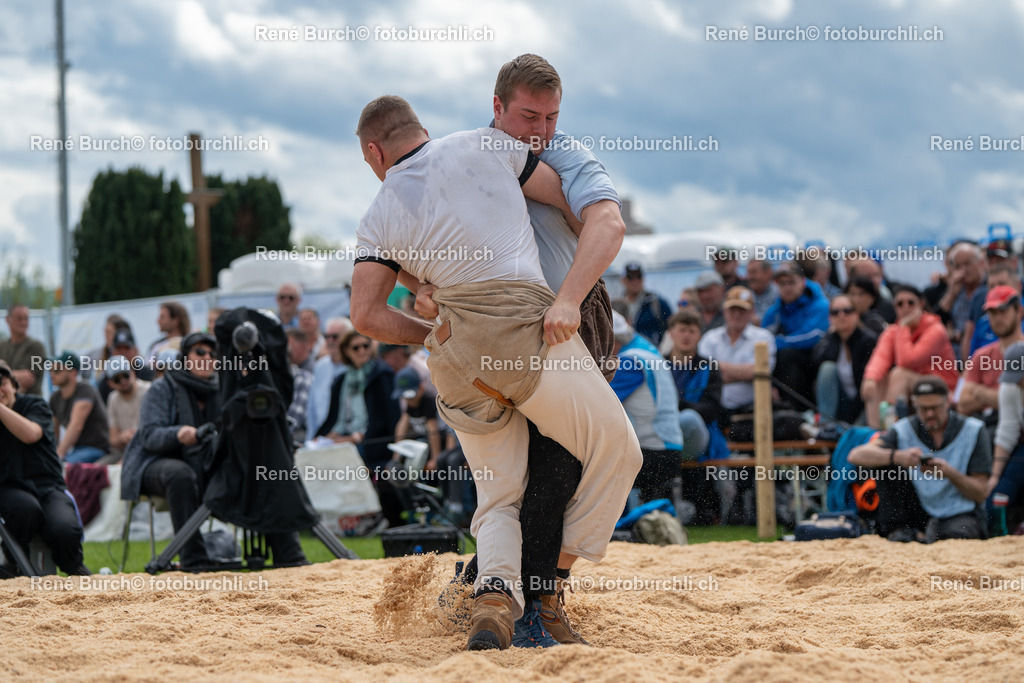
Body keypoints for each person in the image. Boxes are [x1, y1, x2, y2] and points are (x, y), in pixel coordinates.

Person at [350, 94, 641, 651]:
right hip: (527, 326)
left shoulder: (378, 212)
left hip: (457, 356)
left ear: (373, 151)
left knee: (499, 496)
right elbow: (565, 203)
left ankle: (495, 598)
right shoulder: (487, 143)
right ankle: (548, 589)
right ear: (423, 129)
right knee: (618, 451)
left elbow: (365, 315)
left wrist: (431, 331)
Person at [121, 331, 307, 569]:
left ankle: (288, 554)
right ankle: (194, 559)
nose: (207, 357)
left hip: (206, 461)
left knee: (262, 470)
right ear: (184, 357)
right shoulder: (162, 388)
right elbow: (149, 436)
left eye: (213, 354)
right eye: (199, 352)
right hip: (156, 462)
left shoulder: (222, 389)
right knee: (180, 474)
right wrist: (178, 434)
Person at [848, 376, 990, 542]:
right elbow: (855, 455)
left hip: (960, 513)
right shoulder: (904, 428)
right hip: (918, 510)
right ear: (914, 404)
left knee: (956, 537)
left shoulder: (973, 430)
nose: (929, 414)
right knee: (884, 460)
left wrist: (950, 473)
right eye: (923, 408)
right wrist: (897, 456)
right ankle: (897, 529)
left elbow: (981, 492)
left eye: (934, 407)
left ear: (948, 401)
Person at [0, 361, 91, 577]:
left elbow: (30, 434)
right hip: (9, 487)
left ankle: (72, 566)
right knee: (25, 509)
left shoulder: (35, 405)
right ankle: (13, 563)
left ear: (13, 384)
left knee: (64, 528)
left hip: (48, 486)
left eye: (1, 382)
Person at [317, 330, 402, 527]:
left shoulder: (382, 373)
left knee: (354, 459)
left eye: (366, 345)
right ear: (346, 351)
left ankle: (373, 519)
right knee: (316, 456)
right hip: (347, 437)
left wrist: (360, 438)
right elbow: (333, 417)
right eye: (356, 347)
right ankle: (334, 520)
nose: (362, 351)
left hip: (376, 442)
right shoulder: (341, 380)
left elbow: (392, 415)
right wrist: (320, 438)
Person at [861, 285, 958, 429]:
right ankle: (876, 432)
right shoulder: (894, 330)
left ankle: (892, 430)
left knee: (899, 374)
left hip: (944, 387)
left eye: (911, 303)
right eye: (900, 304)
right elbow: (880, 357)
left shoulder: (935, 329)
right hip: (916, 384)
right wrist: (870, 379)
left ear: (921, 304)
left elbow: (908, 361)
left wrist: (904, 327)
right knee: (876, 380)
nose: (905, 307)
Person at [610, 313, 683, 503]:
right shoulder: (647, 351)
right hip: (665, 449)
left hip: (652, 451)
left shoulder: (628, 362)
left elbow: (595, 404)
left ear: (612, 340)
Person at [664, 308, 727, 524]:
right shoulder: (658, 364)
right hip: (664, 432)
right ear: (671, 333)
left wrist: (678, 405)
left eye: (691, 331)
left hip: (698, 434)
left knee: (689, 419)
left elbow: (711, 410)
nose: (686, 336)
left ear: (699, 335)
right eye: (682, 330)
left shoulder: (709, 367)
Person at [697, 286, 777, 426]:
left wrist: (717, 368)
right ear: (724, 311)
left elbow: (760, 371)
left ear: (752, 312)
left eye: (742, 310)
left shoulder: (763, 337)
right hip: (715, 409)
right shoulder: (710, 338)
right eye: (732, 310)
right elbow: (703, 373)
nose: (736, 314)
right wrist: (745, 374)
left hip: (749, 410)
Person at [761, 261, 830, 410]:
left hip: (812, 361)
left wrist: (775, 342)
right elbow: (761, 337)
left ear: (803, 281)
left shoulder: (820, 304)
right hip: (783, 363)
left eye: (791, 282)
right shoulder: (775, 310)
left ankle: (797, 411)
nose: (787, 288)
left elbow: (812, 336)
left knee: (787, 355)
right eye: (782, 284)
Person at [959, 285, 1024, 425]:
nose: (998, 318)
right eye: (993, 313)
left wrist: (979, 391)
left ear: (1019, 312)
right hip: (989, 427)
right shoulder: (981, 355)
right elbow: (963, 404)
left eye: (1003, 311)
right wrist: (1008, 397)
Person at [812, 294, 878, 425]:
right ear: (830, 318)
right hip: (841, 402)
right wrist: (832, 338)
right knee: (828, 368)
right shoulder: (829, 340)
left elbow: (862, 387)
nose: (841, 316)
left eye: (847, 311)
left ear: (856, 315)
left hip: (863, 404)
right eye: (835, 312)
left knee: (853, 433)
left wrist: (848, 421)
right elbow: (816, 367)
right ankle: (825, 425)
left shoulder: (867, 341)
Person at [48, 351, 110, 464]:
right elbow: (53, 431)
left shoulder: (85, 390)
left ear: (73, 372)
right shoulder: (55, 398)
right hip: (76, 450)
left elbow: (76, 426)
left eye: (57, 370)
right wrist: (50, 454)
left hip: (97, 449)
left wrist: (59, 455)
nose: (52, 374)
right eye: (50, 370)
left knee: (65, 467)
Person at [989, 341, 1024, 532]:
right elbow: (1007, 431)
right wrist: (994, 476)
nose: (1018, 381)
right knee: (1000, 490)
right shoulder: (1010, 386)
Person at [306, 317, 352, 441]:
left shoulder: (353, 368)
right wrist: (310, 439)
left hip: (344, 437)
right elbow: (312, 406)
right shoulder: (320, 366)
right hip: (320, 437)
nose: (330, 341)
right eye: (327, 336)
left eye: (335, 337)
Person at [105, 356, 151, 464]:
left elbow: (151, 435)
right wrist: (122, 437)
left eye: (125, 375)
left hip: (147, 451)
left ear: (133, 373)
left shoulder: (149, 391)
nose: (123, 381)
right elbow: (113, 440)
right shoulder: (112, 398)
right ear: (110, 383)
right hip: (123, 452)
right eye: (117, 379)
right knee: (95, 472)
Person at [616, 262, 671, 345]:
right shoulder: (616, 305)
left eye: (639, 277)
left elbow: (671, 327)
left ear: (643, 279)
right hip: (623, 353)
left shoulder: (657, 303)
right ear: (623, 280)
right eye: (630, 277)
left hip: (651, 353)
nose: (635, 281)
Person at [0, 304, 46, 396]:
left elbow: (27, 380)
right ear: (8, 320)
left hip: (31, 405)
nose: (24, 322)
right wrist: (16, 375)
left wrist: (3, 375)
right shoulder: (2, 346)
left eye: (26, 318)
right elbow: (18, 380)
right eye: (19, 319)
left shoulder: (36, 346)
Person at [285, 328, 315, 444]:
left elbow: (294, 419)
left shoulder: (302, 377)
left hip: (295, 438)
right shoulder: (268, 375)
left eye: (288, 345)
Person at [745, 259, 778, 325]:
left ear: (768, 273)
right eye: (749, 273)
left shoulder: (779, 295)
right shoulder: (745, 295)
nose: (750, 277)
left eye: (754, 272)